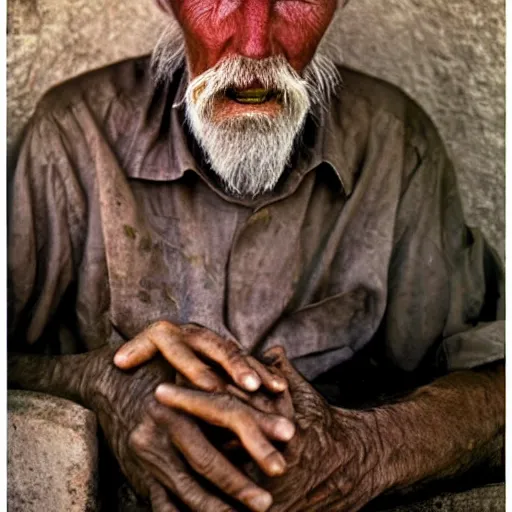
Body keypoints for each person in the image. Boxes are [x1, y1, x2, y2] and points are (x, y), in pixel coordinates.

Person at [8, 0, 504, 511]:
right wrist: (100, 383)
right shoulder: (72, 135)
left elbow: (499, 387)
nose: (255, 45)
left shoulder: (396, 145)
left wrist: (363, 451)